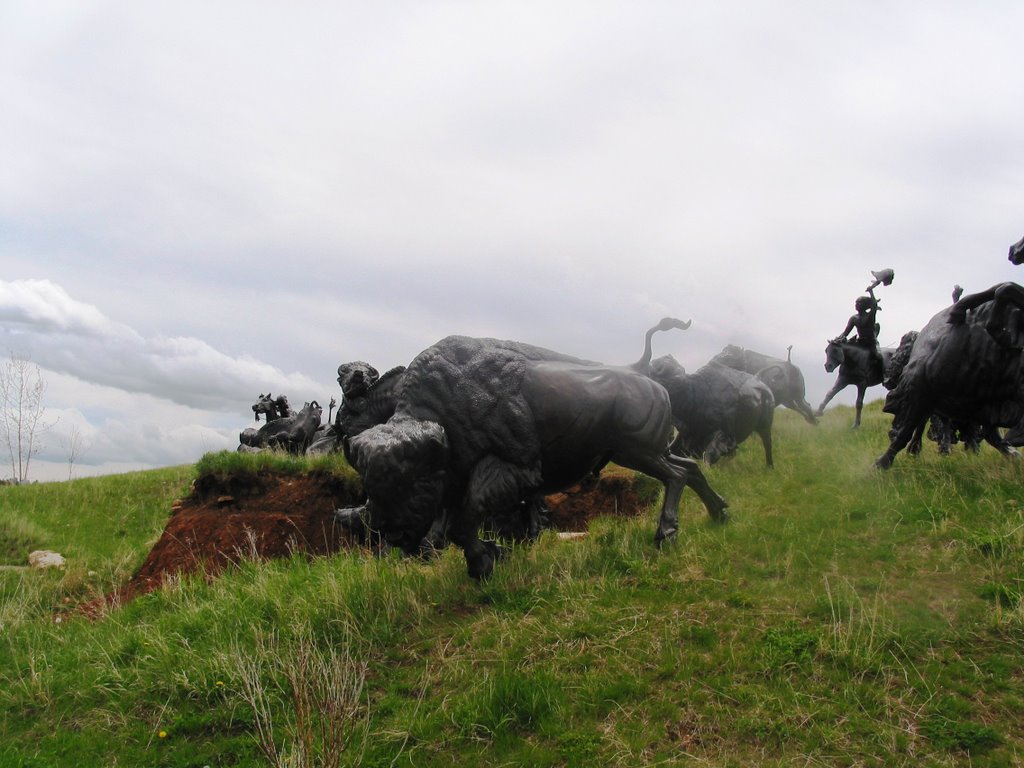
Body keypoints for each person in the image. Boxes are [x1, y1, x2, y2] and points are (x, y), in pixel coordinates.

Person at [834, 287, 883, 375]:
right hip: (860, 342)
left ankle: (884, 374)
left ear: (865, 305)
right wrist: (838, 339)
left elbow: (874, 305)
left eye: (859, 303)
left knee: (879, 357)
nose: (856, 304)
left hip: (871, 343)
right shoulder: (854, 318)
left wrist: (871, 292)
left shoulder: (869, 316)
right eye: (856, 303)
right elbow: (845, 333)